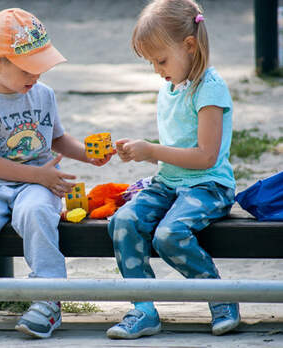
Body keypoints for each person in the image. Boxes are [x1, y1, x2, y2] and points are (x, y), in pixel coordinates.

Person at [0, 8, 114, 339]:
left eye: (41, 67)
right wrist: (40, 177)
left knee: (36, 212)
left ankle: (49, 298)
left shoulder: (43, 94)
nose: (36, 76)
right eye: (28, 69)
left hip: (37, 183)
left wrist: (89, 157)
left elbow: (58, 139)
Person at [107, 0, 239, 340]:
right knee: (123, 221)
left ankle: (220, 297)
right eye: (151, 62)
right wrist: (143, 153)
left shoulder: (210, 87)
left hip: (208, 186)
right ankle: (143, 309)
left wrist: (152, 150)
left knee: (169, 235)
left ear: (190, 46)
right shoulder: (169, 86)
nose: (156, 69)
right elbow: (175, 151)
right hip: (169, 183)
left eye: (160, 60)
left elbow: (206, 156)